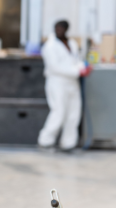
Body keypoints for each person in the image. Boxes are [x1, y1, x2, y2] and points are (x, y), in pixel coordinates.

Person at [38, 19, 89, 151]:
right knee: (59, 112)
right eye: (56, 28)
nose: (58, 30)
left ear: (66, 29)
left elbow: (75, 60)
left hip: (72, 83)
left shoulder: (71, 43)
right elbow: (54, 67)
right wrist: (77, 71)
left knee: (73, 113)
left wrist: (82, 67)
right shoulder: (49, 46)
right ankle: (45, 141)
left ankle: (68, 143)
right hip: (57, 82)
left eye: (61, 28)